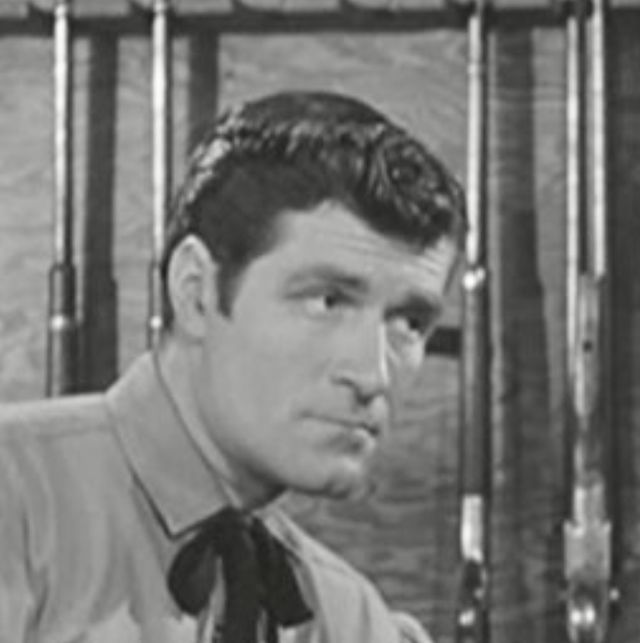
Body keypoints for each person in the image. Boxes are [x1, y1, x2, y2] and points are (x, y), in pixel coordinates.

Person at [0, 91, 466, 643]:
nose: (372, 376)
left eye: (409, 322)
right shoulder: (18, 503)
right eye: (327, 301)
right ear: (195, 291)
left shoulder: (343, 616)